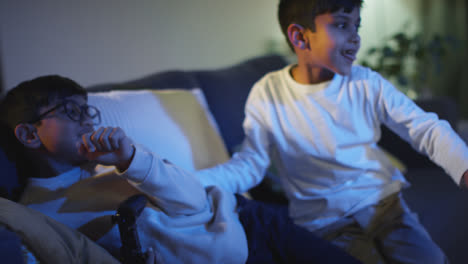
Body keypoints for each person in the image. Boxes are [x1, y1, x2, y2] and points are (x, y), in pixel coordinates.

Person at [195, 0, 468, 263]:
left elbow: (423, 127)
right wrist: (193, 182)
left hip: (385, 204)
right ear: (300, 37)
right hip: (325, 221)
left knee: (429, 258)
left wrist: (463, 165)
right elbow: (250, 164)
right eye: (341, 25)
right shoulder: (267, 93)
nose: (355, 37)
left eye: (356, 26)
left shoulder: (365, 82)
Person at [0, 75, 362, 264]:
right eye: (72, 111)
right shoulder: (37, 217)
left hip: (249, 222)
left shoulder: (116, 171)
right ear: (30, 134)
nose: (88, 121)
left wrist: (131, 159)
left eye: (87, 111)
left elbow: (195, 200)